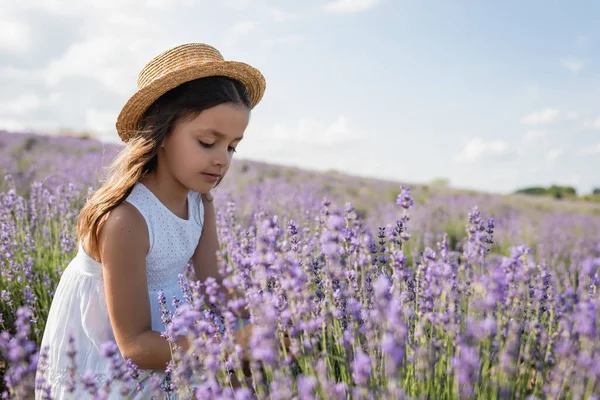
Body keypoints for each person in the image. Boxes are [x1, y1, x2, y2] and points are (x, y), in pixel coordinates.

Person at [35, 42, 267, 399]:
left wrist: (264, 320)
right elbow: (134, 345)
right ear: (161, 132)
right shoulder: (126, 219)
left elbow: (215, 281)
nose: (222, 160)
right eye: (208, 142)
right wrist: (226, 349)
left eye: (232, 147)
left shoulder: (201, 202)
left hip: (171, 339)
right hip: (111, 352)